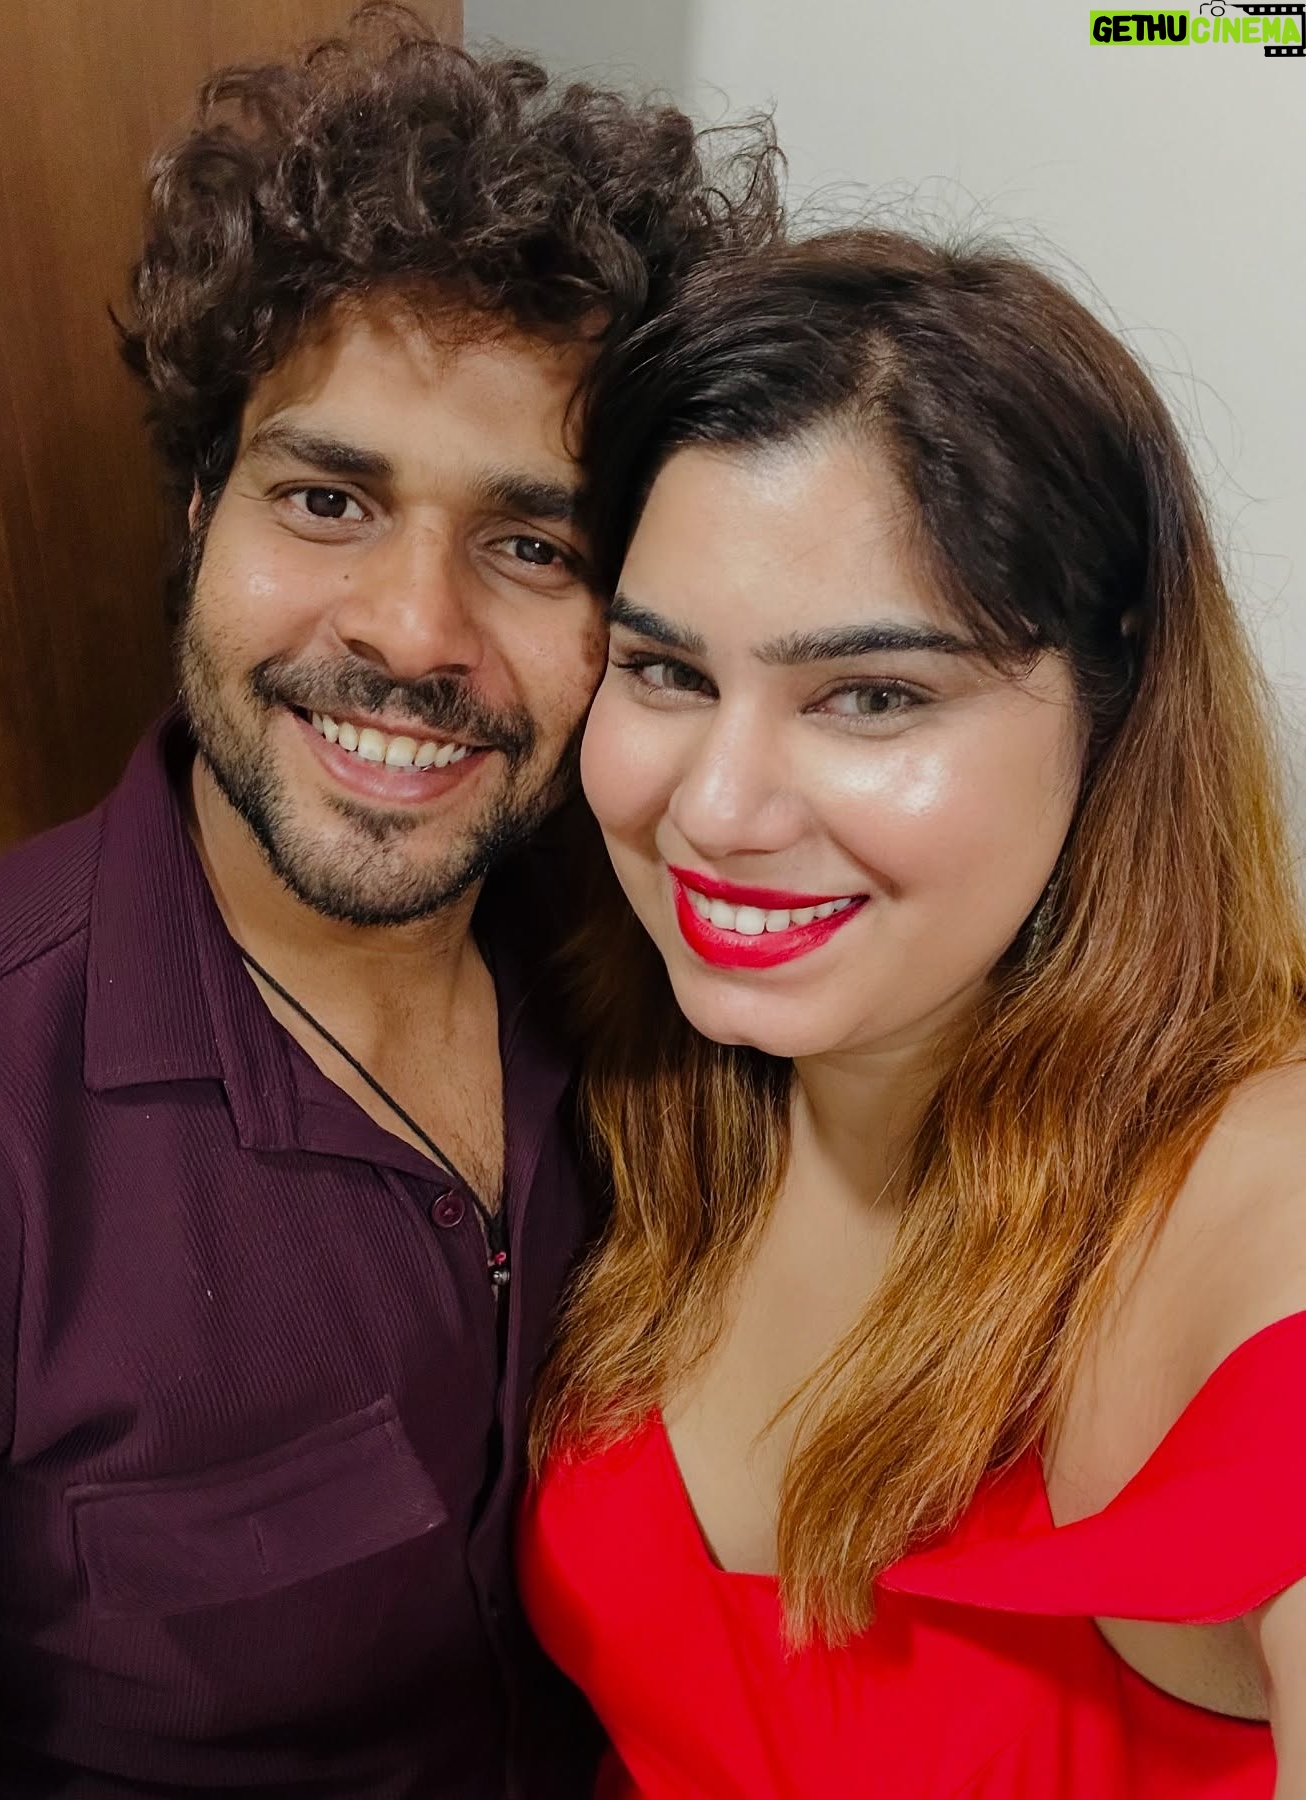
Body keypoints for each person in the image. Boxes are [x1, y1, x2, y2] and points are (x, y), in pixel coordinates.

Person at [0, 13, 782, 1795]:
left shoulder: (680, 979)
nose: (415, 632)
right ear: (200, 511)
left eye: (533, 545)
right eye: (327, 498)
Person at [520, 229, 1306, 1797]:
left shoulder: (1250, 1199)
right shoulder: (653, 1085)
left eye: (871, 696)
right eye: (666, 672)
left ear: (1114, 700)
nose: (716, 809)